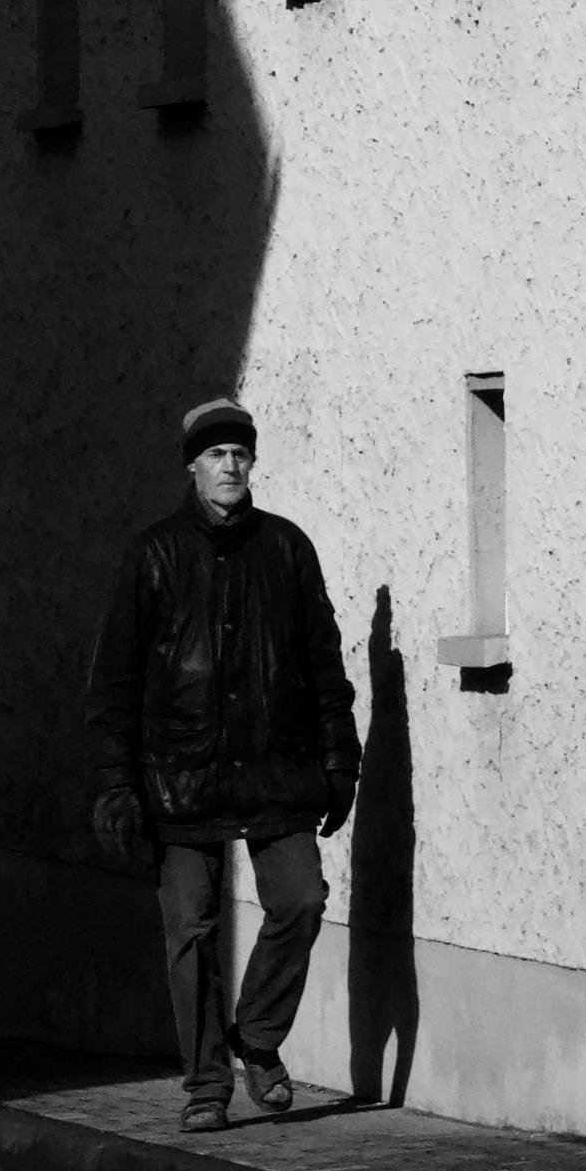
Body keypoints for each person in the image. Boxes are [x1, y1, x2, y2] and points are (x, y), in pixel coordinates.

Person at [88, 398, 358, 1132]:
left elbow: (324, 665)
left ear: (252, 463)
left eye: (240, 453)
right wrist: (117, 787)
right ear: (193, 467)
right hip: (181, 778)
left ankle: (258, 1038)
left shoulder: (287, 550)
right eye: (216, 455)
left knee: (300, 898)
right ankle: (207, 1082)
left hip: (277, 771)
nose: (230, 465)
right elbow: (113, 684)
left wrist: (343, 762)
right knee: (191, 926)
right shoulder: (154, 555)